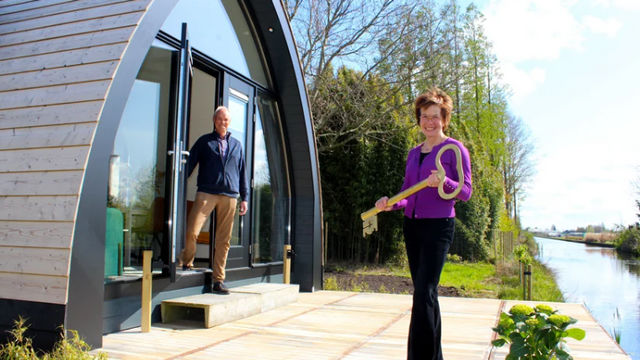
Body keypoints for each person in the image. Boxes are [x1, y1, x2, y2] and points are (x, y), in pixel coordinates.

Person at [375, 87, 472, 359]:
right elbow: (408, 193)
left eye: (435, 117)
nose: (429, 122)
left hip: (439, 226)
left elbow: (465, 192)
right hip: (412, 227)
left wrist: (445, 180)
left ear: (444, 119)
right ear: (418, 119)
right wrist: (391, 204)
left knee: (425, 291)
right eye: (424, 116)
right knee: (424, 293)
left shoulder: (454, 149)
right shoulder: (413, 153)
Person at [178, 106, 248, 294]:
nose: (222, 122)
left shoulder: (237, 145)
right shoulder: (204, 142)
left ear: (229, 122)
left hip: (230, 196)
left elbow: (242, 173)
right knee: (192, 230)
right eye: (219, 119)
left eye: (225, 120)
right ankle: (187, 262)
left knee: (223, 240)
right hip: (206, 193)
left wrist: (245, 197)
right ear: (214, 120)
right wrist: (178, 184)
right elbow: (189, 165)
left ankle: (219, 279)